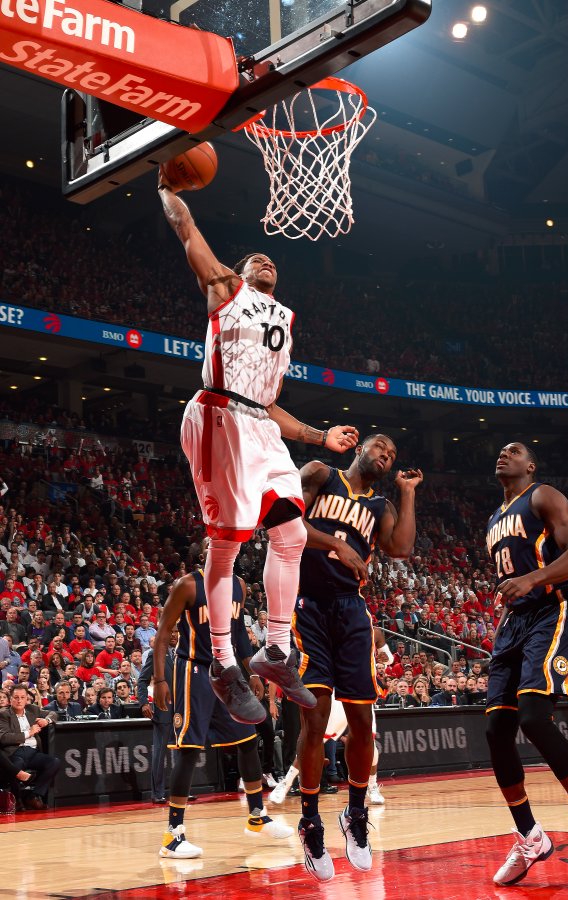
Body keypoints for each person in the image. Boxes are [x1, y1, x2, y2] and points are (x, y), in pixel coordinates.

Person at [158, 173, 358, 725]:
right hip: (219, 414)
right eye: (255, 258)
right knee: (227, 544)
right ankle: (224, 665)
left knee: (292, 534)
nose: (265, 260)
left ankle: (275, 650)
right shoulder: (226, 290)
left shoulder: (284, 321)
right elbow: (187, 230)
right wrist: (168, 192)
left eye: (271, 260)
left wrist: (319, 437)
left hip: (261, 425)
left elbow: (270, 403)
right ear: (240, 272)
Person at [293, 433, 422, 881]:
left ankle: (355, 812)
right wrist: (337, 545)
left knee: (362, 722)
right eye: (380, 447)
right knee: (314, 720)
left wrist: (407, 493)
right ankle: (310, 821)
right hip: (308, 605)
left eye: (392, 454)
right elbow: (284, 521)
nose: (385, 456)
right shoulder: (319, 474)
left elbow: (400, 548)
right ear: (358, 448)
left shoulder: (381, 506)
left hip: (351, 611)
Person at [485, 442, 568, 888]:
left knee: (533, 715)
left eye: (513, 451)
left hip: (556, 607)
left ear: (530, 465)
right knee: (497, 728)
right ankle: (530, 836)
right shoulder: (493, 520)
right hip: (515, 623)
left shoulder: (543, 495)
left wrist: (532, 579)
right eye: (500, 451)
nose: (503, 454)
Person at [152, 570, 294, 859]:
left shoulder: (239, 585)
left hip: (227, 670)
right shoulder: (188, 585)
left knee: (247, 740)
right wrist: (159, 679)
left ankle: (257, 815)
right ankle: (173, 835)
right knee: (189, 749)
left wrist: (252, 671)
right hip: (194, 669)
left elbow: (239, 633)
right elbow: (164, 632)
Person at [0, 683, 60, 809]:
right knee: (14, 767)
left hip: (33, 752)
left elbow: (53, 714)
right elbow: (4, 737)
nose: (19, 700)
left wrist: (46, 720)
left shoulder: (33, 709)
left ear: (26, 698)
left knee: (54, 762)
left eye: (22, 697)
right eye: (16, 697)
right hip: (15, 752)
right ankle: (17, 799)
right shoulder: (4, 714)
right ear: (10, 699)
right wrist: (29, 733)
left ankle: (34, 795)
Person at [137, 626, 179, 804]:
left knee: (182, 752)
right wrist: (144, 703)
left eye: (176, 631)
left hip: (182, 711)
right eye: (171, 631)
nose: (174, 635)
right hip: (163, 709)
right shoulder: (155, 654)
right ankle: (158, 792)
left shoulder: (185, 654)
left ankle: (181, 791)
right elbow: (142, 681)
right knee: (160, 753)